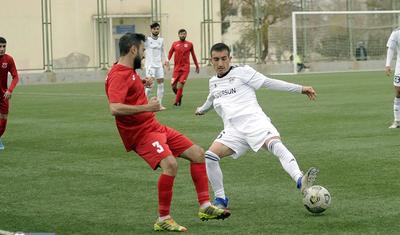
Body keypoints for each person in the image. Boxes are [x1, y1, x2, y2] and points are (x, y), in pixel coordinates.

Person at [105, 33, 230, 232]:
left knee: (198, 153)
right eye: (143, 50)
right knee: (170, 164)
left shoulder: (128, 70)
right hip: (140, 134)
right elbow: (115, 108)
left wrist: (141, 83)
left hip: (154, 127)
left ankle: (205, 206)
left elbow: (127, 88)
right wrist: (147, 107)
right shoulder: (119, 74)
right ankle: (163, 218)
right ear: (133, 50)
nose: (145, 54)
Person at [195, 43, 319, 209]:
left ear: (230, 59)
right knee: (210, 156)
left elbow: (268, 82)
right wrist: (202, 110)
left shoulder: (242, 72)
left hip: (255, 122)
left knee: (275, 146)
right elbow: (212, 98)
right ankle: (221, 200)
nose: (220, 63)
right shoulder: (213, 82)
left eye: (224, 59)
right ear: (211, 61)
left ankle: (300, 179)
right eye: (216, 60)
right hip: (233, 130)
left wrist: (300, 89)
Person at [168, 29, 200, 106]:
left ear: (186, 35)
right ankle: (179, 96)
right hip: (176, 68)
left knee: (180, 84)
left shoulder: (190, 44)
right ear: (178, 35)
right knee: (173, 86)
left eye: (184, 34)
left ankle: (177, 102)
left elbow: (193, 55)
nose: (183, 35)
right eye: (181, 34)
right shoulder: (175, 44)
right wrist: (167, 62)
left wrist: (197, 65)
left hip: (185, 68)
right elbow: (170, 53)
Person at [0, 37, 19, 150]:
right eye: (0, 46)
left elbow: (15, 76)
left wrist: (9, 90)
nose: (2, 49)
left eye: (4, 46)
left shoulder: (9, 59)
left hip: (3, 95)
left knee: (3, 122)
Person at [144, 22, 168, 110]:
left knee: (161, 84)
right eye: (154, 29)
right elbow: (142, 49)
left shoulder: (161, 40)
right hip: (150, 66)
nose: (156, 30)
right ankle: (143, 103)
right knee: (150, 86)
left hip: (159, 65)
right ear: (151, 29)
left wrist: (166, 60)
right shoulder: (147, 40)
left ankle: (159, 105)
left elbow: (163, 51)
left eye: (157, 29)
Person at [385, 28, 400, 129]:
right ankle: (397, 120)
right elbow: (391, 48)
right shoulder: (396, 33)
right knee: (398, 92)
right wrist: (388, 64)